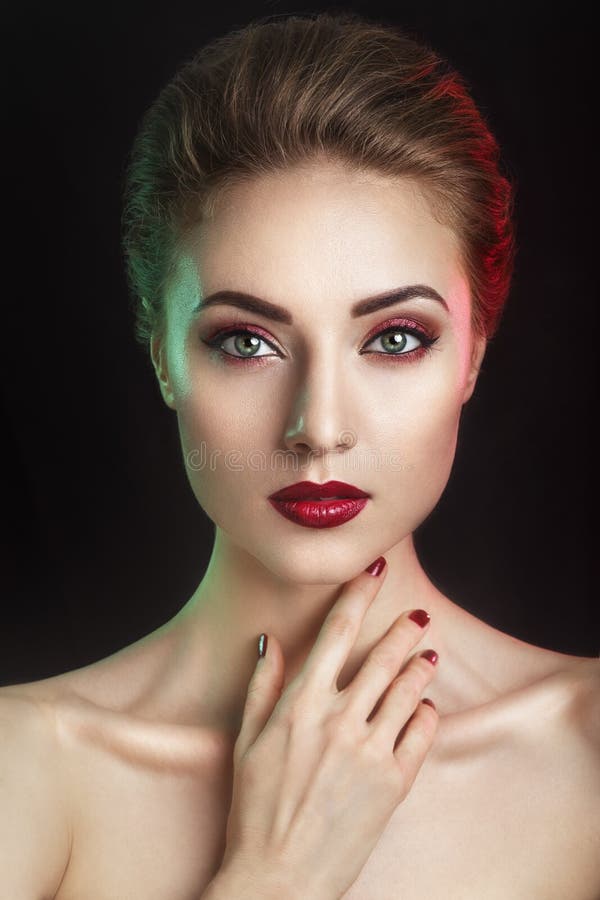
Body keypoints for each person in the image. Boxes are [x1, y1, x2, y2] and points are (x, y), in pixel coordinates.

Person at [1, 10, 598, 899]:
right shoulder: (26, 768)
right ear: (162, 354)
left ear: (473, 353)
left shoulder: (586, 752)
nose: (318, 428)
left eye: (395, 338)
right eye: (247, 341)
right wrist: (275, 876)